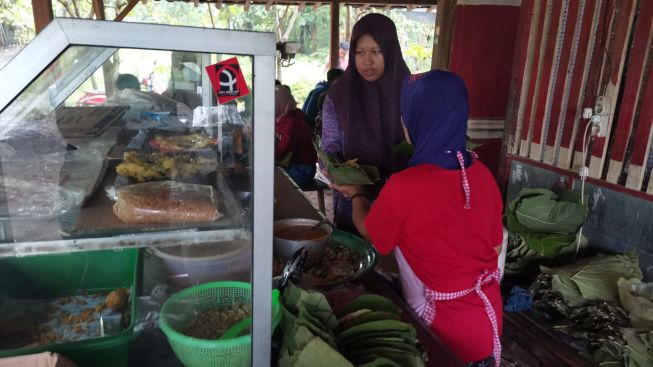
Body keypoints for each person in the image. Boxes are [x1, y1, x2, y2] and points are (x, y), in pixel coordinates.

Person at [331, 70, 504, 367]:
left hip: (443, 329)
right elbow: (495, 248)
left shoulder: (407, 186)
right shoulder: (480, 174)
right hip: (489, 322)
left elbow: (373, 235)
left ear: (416, 120)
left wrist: (357, 195)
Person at [320, 13, 410, 232]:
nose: (367, 61)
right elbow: (328, 154)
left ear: (390, 51)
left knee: (395, 264)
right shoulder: (338, 97)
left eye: (376, 52)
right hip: (352, 206)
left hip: (403, 206)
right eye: (359, 53)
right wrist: (336, 172)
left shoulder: (411, 93)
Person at [275, 85, 317, 186]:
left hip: (302, 170)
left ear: (280, 102)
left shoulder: (292, 123)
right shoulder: (280, 118)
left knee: (264, 180)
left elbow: (279, 155)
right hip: (292, 164)